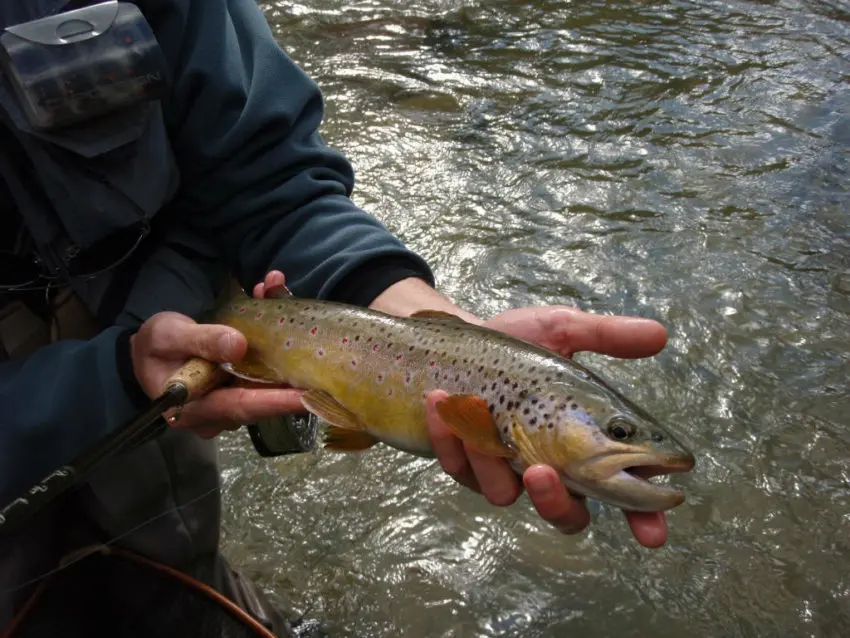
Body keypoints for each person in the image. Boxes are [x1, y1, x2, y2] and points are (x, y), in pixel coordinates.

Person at [0, 0, 670, 635]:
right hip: (94, 374)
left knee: (168, 557)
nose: (626, 441)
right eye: (615, 429)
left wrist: (401, 300)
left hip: (165, 331)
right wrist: (111, 380)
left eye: (615, 429)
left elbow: (263, 180)